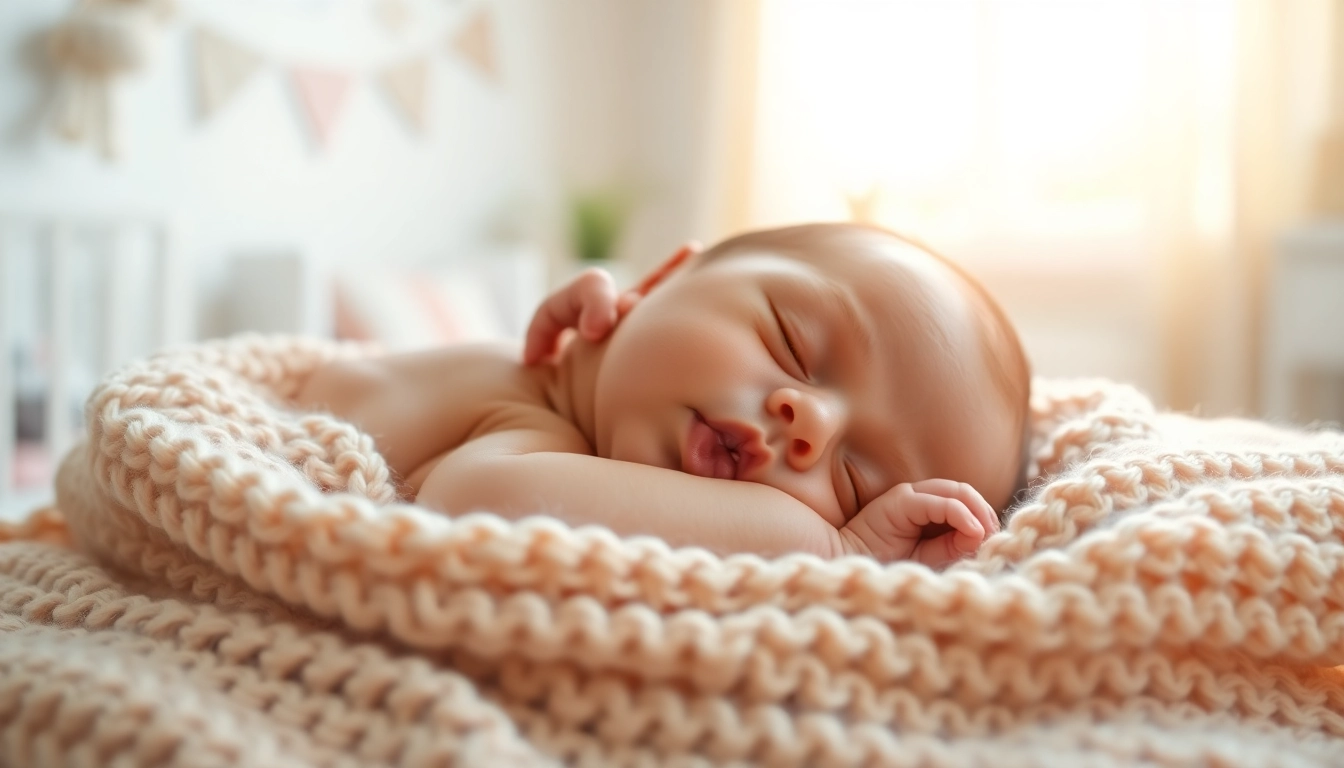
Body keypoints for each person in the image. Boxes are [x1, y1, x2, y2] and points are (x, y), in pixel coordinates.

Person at [295, 223, 1032, 568]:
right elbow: (473, 495)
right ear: (661, 278)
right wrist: (827, 542)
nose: (810, 424)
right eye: (792, 343)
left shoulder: (559, 440)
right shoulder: (537, 405)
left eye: (850, 478)